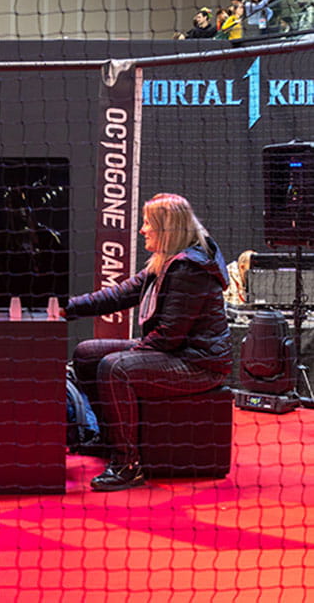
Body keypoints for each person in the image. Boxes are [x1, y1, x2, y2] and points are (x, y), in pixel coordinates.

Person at [62, 193, 232, 492]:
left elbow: (168, 337)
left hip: (200, 363)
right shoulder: (166, 261)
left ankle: (128, 465)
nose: (142, 230)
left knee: (116, 368)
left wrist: (126, 356)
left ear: (167, 229)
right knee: (87, 353)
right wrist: (66, 307)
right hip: (178, 350)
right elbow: (118, 295)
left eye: (147, 223)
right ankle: (108, 438)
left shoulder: (188, 268)